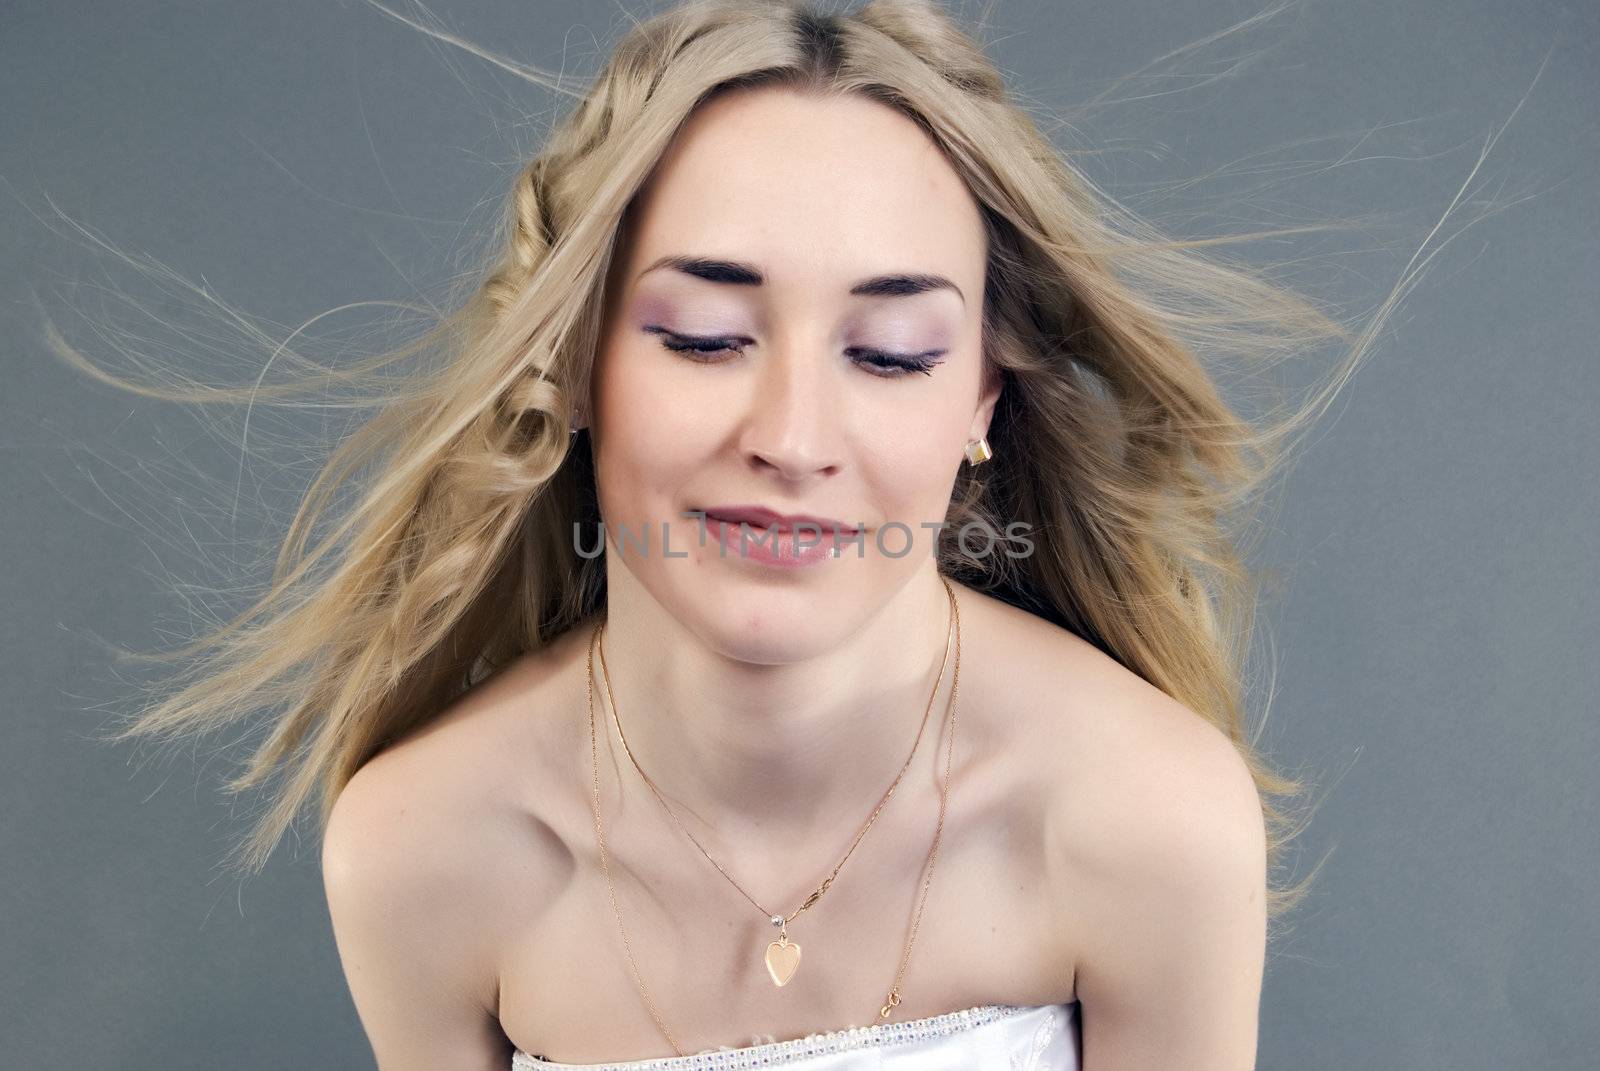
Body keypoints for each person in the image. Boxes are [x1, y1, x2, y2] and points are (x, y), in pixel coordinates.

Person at [80, 0, 1420, 1066]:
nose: (791, 433)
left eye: (890, 353)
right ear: (579, 368)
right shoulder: (423, 850)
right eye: (705, 336)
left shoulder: (1148, 819)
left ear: (979, 402)